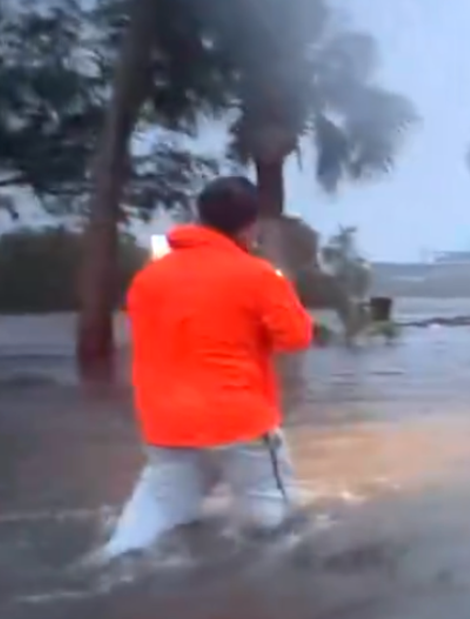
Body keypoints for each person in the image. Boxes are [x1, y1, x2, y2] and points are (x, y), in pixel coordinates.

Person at [102, 176, 313, 558]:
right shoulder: (258, 275)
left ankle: (109, 568)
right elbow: (295, 338)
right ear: (251, 225)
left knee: (148, 525)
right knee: (276, 524)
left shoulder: (149, 278)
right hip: (239, 421)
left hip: (165, 422)